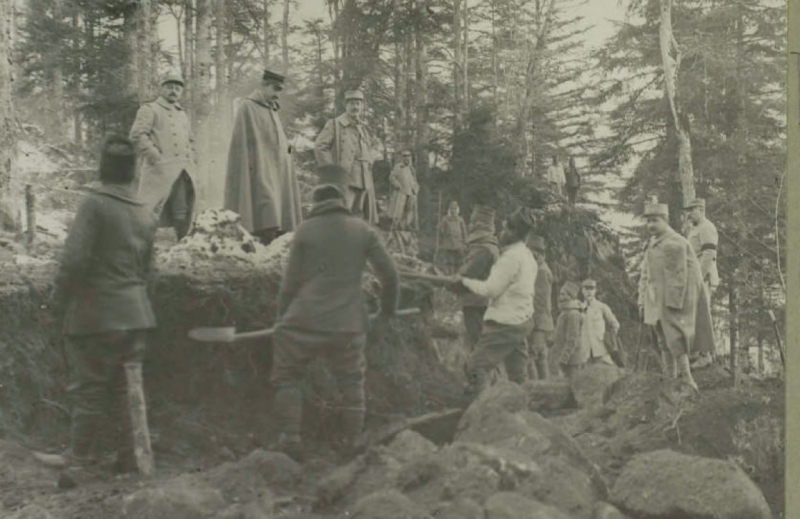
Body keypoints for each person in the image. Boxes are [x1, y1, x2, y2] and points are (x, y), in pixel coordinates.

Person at [43, 136, 158, 477]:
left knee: (90, 387)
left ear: (102, 169)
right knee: (128, 389)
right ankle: (130, 458)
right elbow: (152, 271)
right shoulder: (145, 211)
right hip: (137, 315)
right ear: (132, 172)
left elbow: (74, 259)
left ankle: (78, 460)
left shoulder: (94, 204)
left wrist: (58, 301)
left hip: (97, 314)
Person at [269, 164, 399, 460]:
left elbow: (289, 287)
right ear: (344, 198)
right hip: (348, 323)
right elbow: (390, 276)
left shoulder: (304, 230)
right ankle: (351, 442)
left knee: (288, 377)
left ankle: (290, 438)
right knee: (352, 380)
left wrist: (280, 322)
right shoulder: (363, 231)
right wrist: (387, 313)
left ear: (317, 198)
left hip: (303, 321)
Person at [455, 208, 537, 400]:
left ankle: (481, 411)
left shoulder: (509, 259)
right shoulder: (528, 256)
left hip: (505, 324)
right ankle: (524, 415)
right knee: (518, 376)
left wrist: (463, 281)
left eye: (504, 228)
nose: (500, 232)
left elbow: (490, 290)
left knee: (475, 366)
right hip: (522, 321)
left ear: (513, 232)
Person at [638, 202, 714, 392]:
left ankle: (687, 379)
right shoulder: (653, 243)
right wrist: (643, 300)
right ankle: (669, 378)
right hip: (657, 298)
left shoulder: (674, 243)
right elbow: (645, 274)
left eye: (654, 221)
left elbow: (677, 277)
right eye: (648, 222)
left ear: (665, 221)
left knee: (675, 338)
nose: (650, 226)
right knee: (663, 339)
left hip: (674, 300)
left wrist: (672, 305)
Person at [224, 70, 303, 246]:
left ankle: (274, 245)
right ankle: (263, 244)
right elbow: (242, 142)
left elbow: (277, 139)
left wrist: (288, 155)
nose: (277, 94)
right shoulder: (248, 107)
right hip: (258, 167)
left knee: (278, 206)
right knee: (266, 205)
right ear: (263, 85)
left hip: (277, 168)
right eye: (274, 89)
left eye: (280, 90)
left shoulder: (272, 108)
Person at [129, 72, 196, 240]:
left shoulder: (182, 114)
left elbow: (189, 139)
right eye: (169, 87)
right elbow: (137, 135)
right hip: (158, 169)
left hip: (181, 170)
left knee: (181, 209)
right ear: (162, 89)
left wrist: (190, 158)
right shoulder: (150, 109)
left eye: (177, 88)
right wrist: (154, 155)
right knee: (147, 209)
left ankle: (182, 246)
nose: (173, 91)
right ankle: (138, 246)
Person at [314, 89, 380, 225]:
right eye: (351, 104)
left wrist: (370, 159)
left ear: (362, 106)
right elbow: (320, 147)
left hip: (363, 178)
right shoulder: (335, 124)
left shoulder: (363, 127)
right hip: (345, 178)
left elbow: (371, 148)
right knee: (342, 214)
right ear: (346, 105)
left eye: (358, 104)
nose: (355, 107)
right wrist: (332, 172)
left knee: (359, 218)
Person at [684, 198, 719, 367]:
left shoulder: (707, 227)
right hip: (694, 276)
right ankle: (697, 352)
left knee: (703, 314)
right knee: (695, 314)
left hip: (703, 276)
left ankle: (705, 355)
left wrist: (700, 276)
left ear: (700, 209)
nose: (689, 214)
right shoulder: (694, 228)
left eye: (692, 210)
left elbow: (708, 255)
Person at [574, 279, 621, 368]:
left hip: (600, 348)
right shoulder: (578, 308)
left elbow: (615, 324)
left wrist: (609, 338)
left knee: (605, 372)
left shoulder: (601, 307)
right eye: (586, 289)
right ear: (582, 290)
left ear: (595, 291)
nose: (589, 292)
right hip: (584, 350)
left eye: (591, 289)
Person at [527, 235, 554, 380]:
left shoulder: (542, 271)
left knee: (533, 356)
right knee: (539, 357)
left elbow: (540, 301)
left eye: (531, 252)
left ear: (539, 254)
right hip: (540, 321)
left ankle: (537, 390)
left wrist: (533, 322)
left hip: (539, 323)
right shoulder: (539, 268)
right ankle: (544, 390)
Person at [554, 281, 584, 379]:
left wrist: (564, 358)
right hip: (565, 359)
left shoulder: (573, 314)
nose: (560, 297)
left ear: (570, 296)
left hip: (572, 361)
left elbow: (572, 339)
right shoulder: (564, 313)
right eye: (560, 294)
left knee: (572, 387)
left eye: (563, 294)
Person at [388, 149, 419, 230]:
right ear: (402, 158)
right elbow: (391, 177)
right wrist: (398, 185)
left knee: (409, 210)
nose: (407, 158)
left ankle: (405, 225)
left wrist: (416, 188)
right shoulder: (398, 167)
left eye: (408, 156)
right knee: (398, 209)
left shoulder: (412, 169)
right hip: (401, 192)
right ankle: (395, 225)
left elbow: (414, 181)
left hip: (410, 192)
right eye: (405, 156)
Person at [438, 201, 468, 274]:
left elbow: (464, 232)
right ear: (449, 209)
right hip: (448, 244)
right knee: (449, 262)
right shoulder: (445, 219)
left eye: (454, 208)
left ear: (457, 209)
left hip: (459, 244)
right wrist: (440, 228)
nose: (453, 210)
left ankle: (458, 276)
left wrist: (465, 243)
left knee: (460, 262)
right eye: (451, 208)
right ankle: (449, 276)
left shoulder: (460, 220)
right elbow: (441, 231)